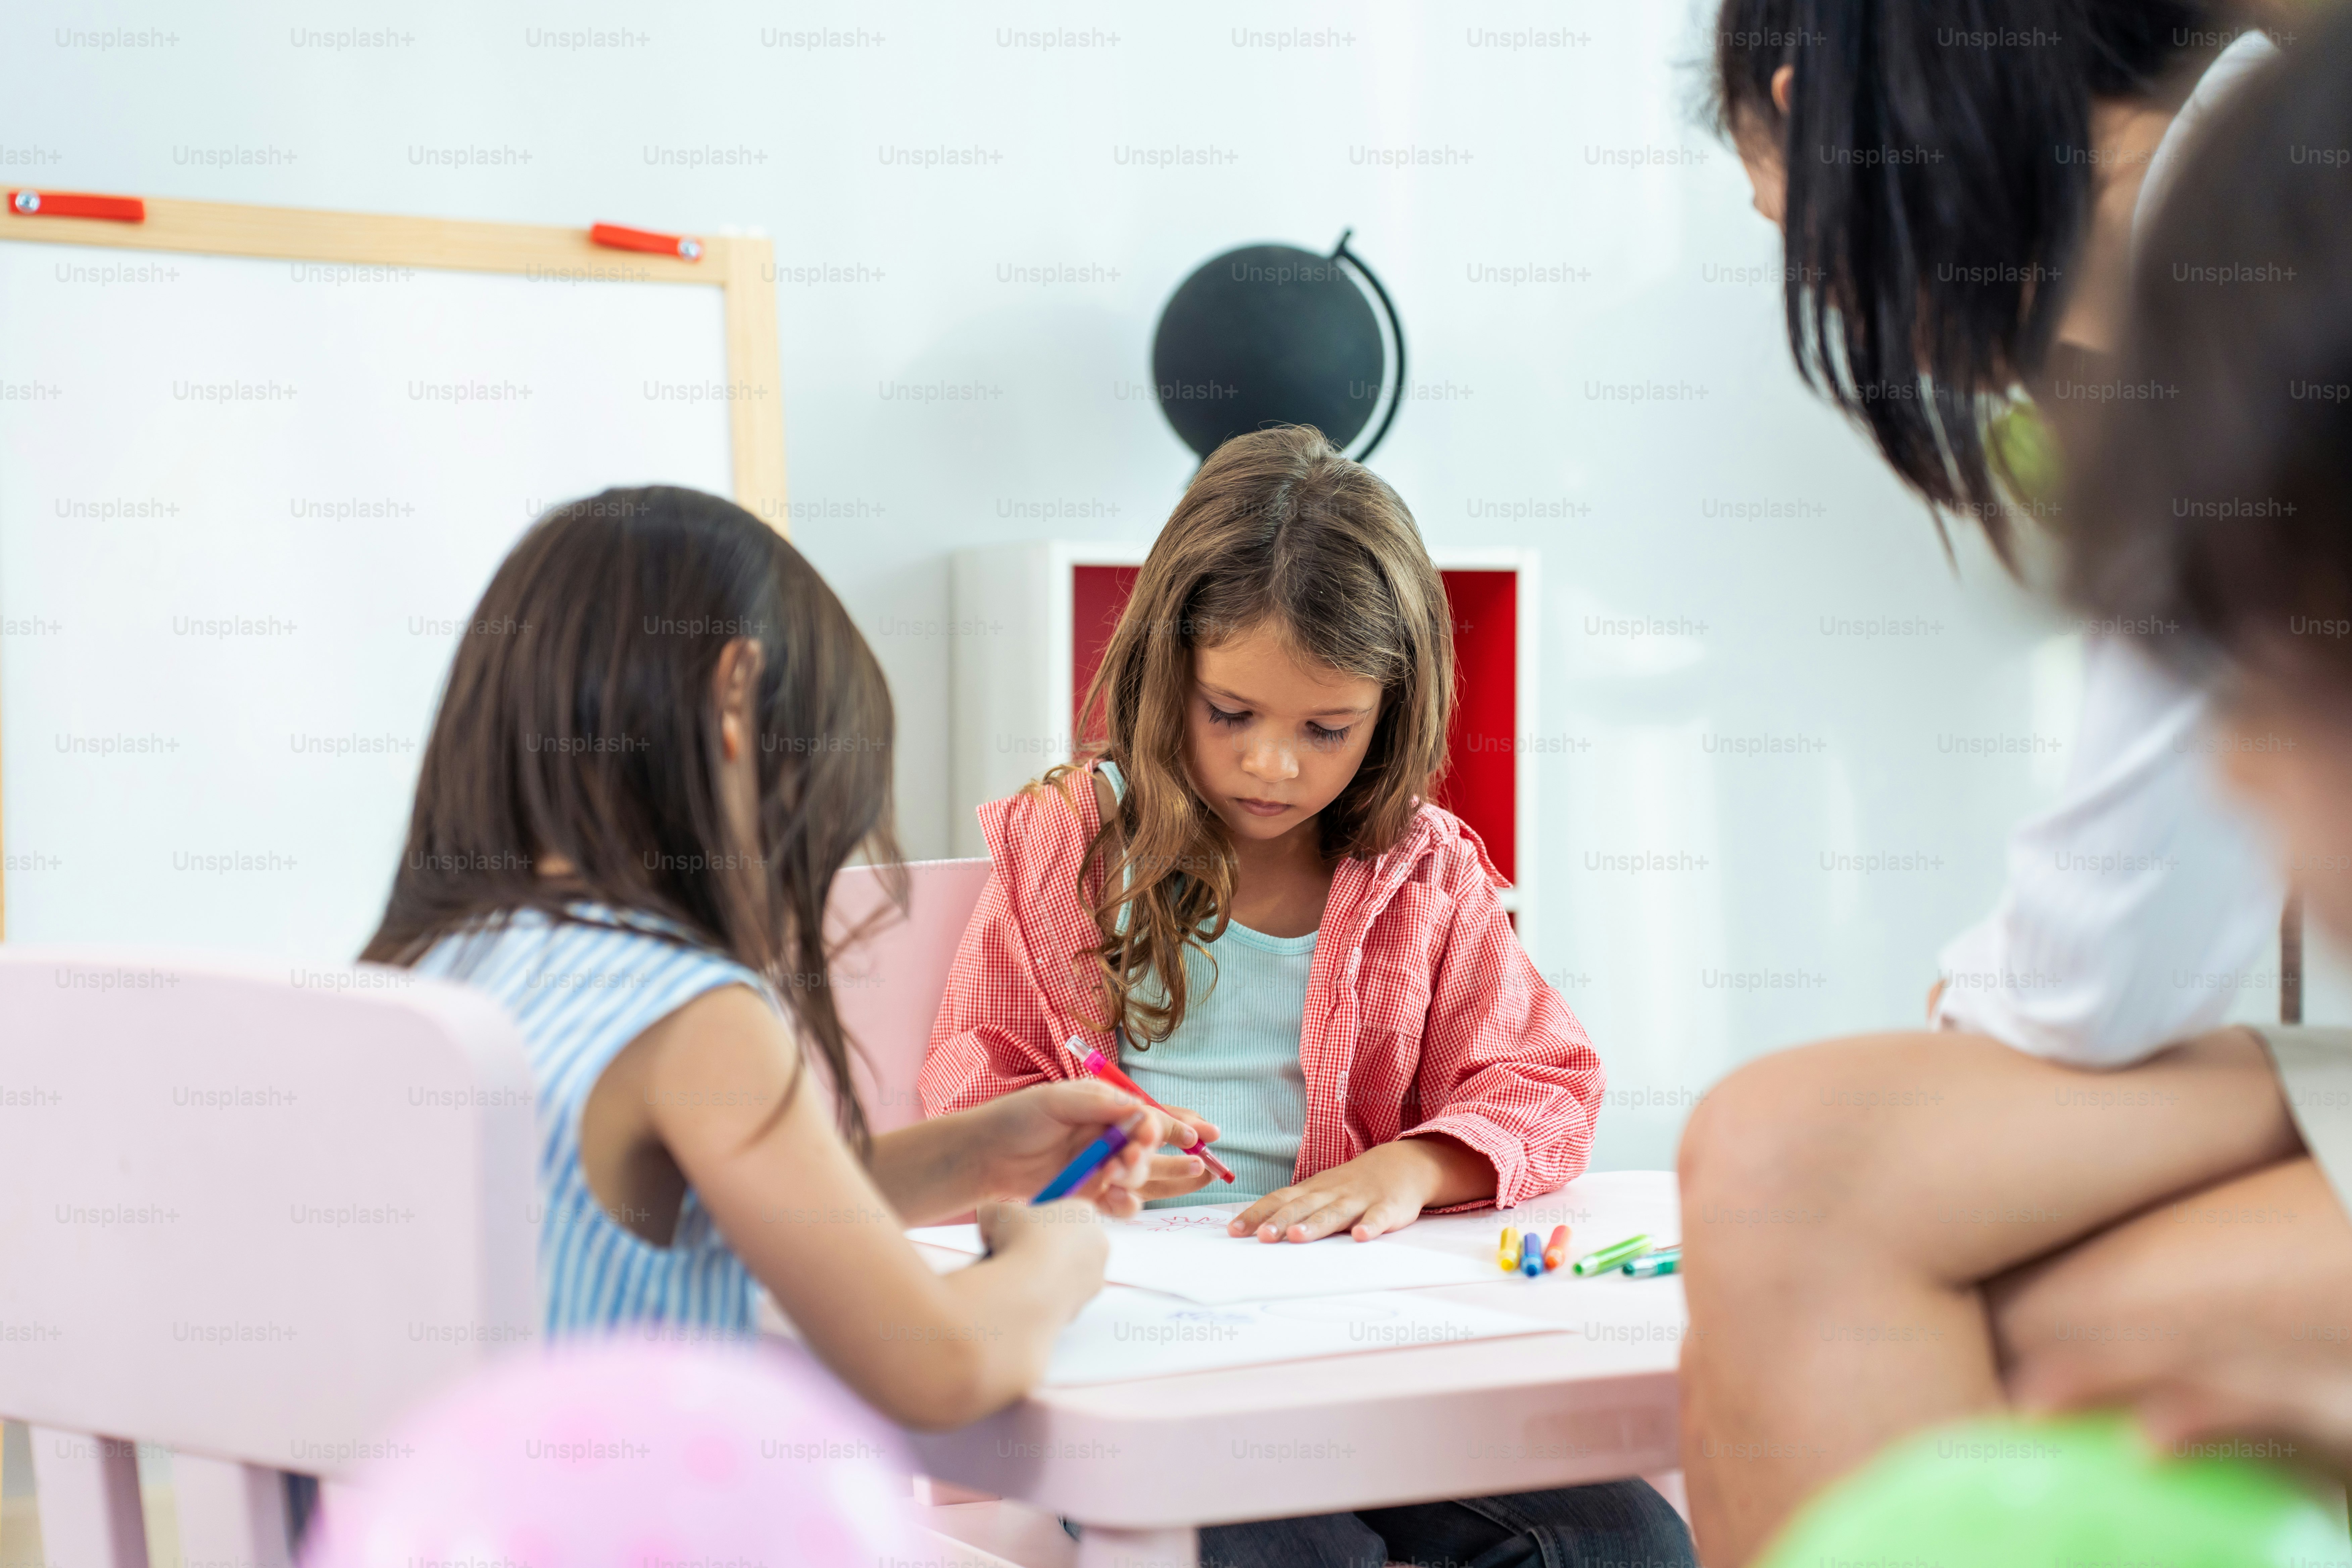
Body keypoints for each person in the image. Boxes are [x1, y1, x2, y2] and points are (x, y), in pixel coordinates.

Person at [1680, 3, 2320, 1561]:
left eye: (1796, 231)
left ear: (1810, 112)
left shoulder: (2257, 220)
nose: (1851, 304)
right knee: (1799, 1163)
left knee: (1820, 1195)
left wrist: (1974, 1013)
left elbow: (2102, 967)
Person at [921, 427, 1693, 1567]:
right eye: (1230, 713)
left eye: (1326, 730)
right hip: (1131, 1352)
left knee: (1615, 1544)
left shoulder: (1423, 872)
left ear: (1391, 715)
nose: (1273, 766)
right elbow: (974, 1088)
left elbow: (1544, 1081)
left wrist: (1414, 1167)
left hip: (1366, 1353)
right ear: (1163, 671)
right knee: (1295, 1552)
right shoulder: (1066, 849)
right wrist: (1086, 1164)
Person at [363, 485, 1183, 1431]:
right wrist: (1056, 1263)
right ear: (737, 698)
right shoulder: (689, 1015)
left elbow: (709, 1210)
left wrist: (981, 1154)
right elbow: (942, 1368)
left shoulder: (435, 959)